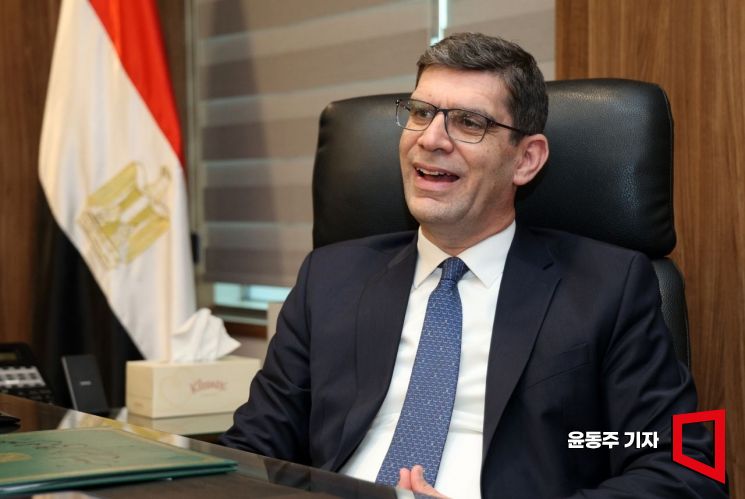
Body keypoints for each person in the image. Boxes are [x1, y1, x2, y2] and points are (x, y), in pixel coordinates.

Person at [221, 33, 726, 498]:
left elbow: (690, 464)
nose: (431, 139)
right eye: (421, 112)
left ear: (526, 160)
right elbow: (251, 450)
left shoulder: (610, 286)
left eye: (469, 122)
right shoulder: (329, 277)